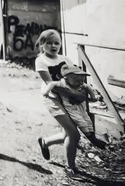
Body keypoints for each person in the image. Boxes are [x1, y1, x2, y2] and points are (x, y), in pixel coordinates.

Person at [34, 29, 88, 179]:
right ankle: (70, 169)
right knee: (74, 133)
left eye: (56, 43)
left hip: (69, 100)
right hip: (53, 99)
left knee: (67, 133)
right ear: (42, 44)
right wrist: (75, 94)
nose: (53, 46)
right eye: (49, 43)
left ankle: (45, 142)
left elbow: (75, 77)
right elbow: (52, 84)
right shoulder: (41, 61)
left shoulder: (65, 59)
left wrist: (82, 91)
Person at [43, 64, 107, 150]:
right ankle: (92, 139)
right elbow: (51, 83)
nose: (80, 83)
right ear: (67, 79)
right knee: (81, 122)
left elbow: (87, 87)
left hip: (81, 107)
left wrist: (93, 96)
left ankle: (93, 136)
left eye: (82, 80)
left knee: (88, 120)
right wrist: (46, 91)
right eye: (77, 81)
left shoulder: (80, 84)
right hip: (72, 109)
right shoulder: (62, 83)